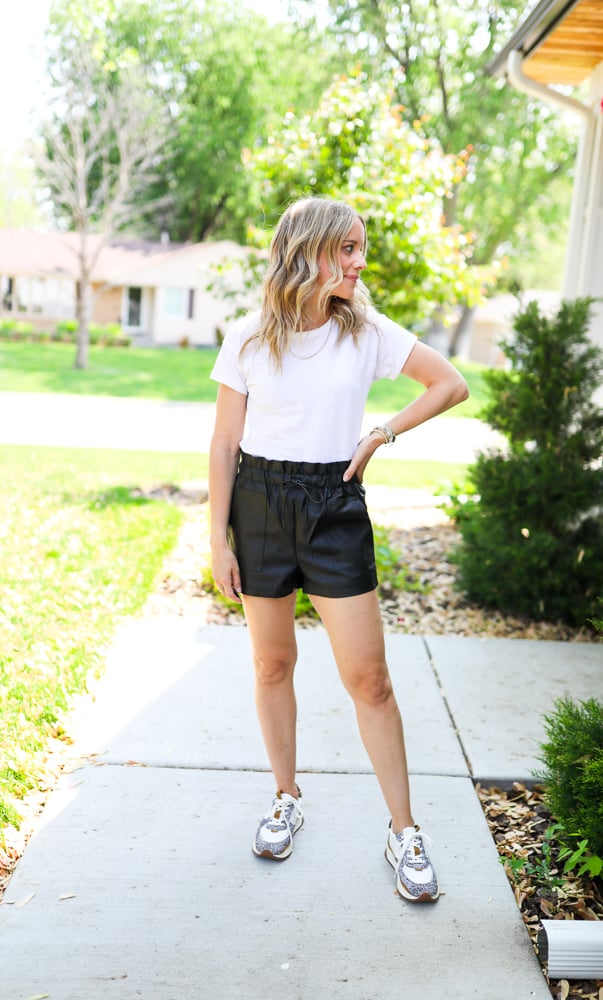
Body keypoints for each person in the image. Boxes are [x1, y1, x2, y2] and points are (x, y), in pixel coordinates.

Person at [208, 197, 468, 904]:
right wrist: (217, 540)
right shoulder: (249, 339)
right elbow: (226, 445)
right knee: (271, 663)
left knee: (370, 680)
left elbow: (450, 383)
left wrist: (381, 433)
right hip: (259, 505)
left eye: (360, 248)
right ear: (310, 250)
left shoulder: (366, 333)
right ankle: (286, 797)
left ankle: (404, 830)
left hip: (334, 504)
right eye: (347, 249)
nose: (358, 262)